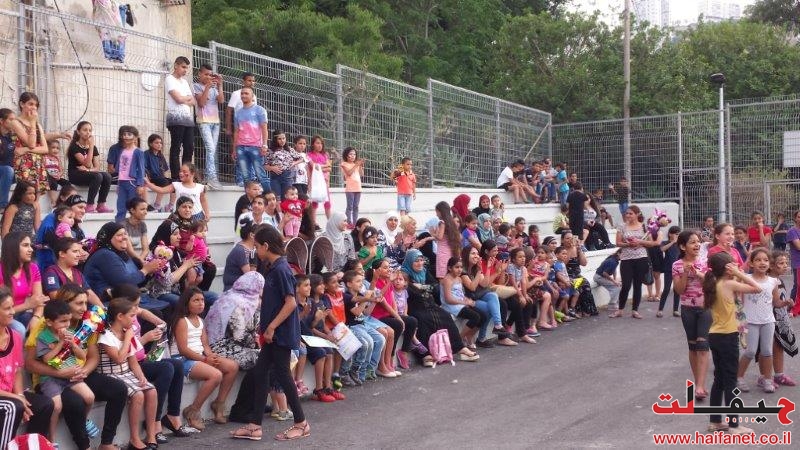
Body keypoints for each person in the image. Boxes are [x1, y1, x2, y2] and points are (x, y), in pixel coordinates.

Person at [25, 285, 129, 450]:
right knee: (75, 402)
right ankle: (84, 446)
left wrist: (83, 372)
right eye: (79, 303)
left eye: (86, 303)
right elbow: (30, 364)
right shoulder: (47, 324)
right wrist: (61, 373)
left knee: (119, 389)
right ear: (65, 304)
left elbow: (92, 357)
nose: (84, 308)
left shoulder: (88, 323)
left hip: (77, 372)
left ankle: (106, 443)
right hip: (50, 377)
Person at [231, 225, 310, 441]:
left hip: (280, 333)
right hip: (272, 333)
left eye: (257, 246)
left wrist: (272, 326)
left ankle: (301, 423)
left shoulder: (282, 269)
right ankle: (255, 426)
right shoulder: (272, 268)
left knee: (283, 375)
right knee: (260, 373)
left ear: (266, 246)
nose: (255, 250)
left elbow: (291, 303)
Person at [109, 284, 191, 443]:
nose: (137, 309)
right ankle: (154, 422)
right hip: (129, 365)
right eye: (135, 306)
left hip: (141, 359)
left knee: (177, 365)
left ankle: (173, 415)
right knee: (166, 368)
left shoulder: (131, 312)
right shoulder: (119, 323)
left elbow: (143, 312)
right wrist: (145, 338)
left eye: (138, 305)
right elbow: (124, 351)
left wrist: (157, 320)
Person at [703, 251, 760, 434]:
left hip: (715, 335)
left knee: (719, 379)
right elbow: (757, 288)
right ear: (728, 269)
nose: (737, 267)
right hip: (727, 337)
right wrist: (738, 273)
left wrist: (735, 272)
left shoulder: (714, 283)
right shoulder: (728, 284)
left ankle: (715, 422)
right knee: (730, 381)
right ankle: (734, 425)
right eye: (734, 264)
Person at [170, 288, 239, 429]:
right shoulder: (182, 321)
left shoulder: (200, 320)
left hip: (199, 357)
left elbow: (205, 345)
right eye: (196, 300)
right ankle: (193, 410)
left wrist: (210, 355)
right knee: (216, 375)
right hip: (183, 360)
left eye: (202, 300)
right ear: (186, 303)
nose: (201, 303)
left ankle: (219, 404)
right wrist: (204, 360)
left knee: (232, 367)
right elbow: (183, 349)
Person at [98, 298, 159, 449]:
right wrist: (127, 338)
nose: (134, 319)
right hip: (111, 375)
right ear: (120, 316)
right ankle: (134, 438)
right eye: (131, 316)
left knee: (151, 391)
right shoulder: (106, 335)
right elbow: (119, 359)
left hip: (126, 372)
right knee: (138, 395)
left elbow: (133, 361)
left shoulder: (127, 333)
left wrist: (141, 376)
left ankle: (151, 434)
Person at [400, 249, 479, 364]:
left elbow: (435, 286)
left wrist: (422, 287)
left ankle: (460, 348)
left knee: (445, 315)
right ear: (409, 262)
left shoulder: (424, 272)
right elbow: (409, 291)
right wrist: (423, 288)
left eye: (421, 260)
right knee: (422, 319)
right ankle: (425, 354)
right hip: (413, 305)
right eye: (416, 261)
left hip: (429, 303)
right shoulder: (404, 275)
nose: (420, 263)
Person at [0, 286, 53, 449]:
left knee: (45, 404)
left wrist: (20, 395)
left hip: (9, 394)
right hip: (4, 397)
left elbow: (17, 371)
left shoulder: (15, 336)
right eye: (7, 308)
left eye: (12, 307)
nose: (12, 312)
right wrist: (17, 399)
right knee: (12, 406)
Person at [36, 300, 95, 440]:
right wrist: (61, 343)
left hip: (70, 376)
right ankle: (52, 438)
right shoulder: (43, 337)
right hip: (50, 379)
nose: (67, 325)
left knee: (90, 397)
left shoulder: (71, 333)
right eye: (62, 321)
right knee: (56, 406)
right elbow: (47, 359)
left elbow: (82, 356)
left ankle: (84, 420)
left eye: (68, 320)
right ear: (49, 322)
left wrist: (73, 345)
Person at [82, 221, 169, 311]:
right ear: (109, 238)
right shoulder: (105, 255)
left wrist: (151, 271)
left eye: (125, 234)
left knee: (169, 306)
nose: (124, 237)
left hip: (125, 299)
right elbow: (124, 282)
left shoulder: (120, 254)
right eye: (119, 235)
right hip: (107, 304)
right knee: (161, 310)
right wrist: (146, 270)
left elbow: (136, 282)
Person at [672, 231, 711, 400]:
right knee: (693, 346)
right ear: (683, 246)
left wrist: (698, 273)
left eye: (698, 242)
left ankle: (700, 386)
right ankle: (698, 382)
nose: (697, 245)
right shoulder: (676, 265)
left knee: (703, 345)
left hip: (705, 308)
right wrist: (685, 274)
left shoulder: (705, 262)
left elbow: (710, 285)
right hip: (687, 309)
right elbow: (679, 290)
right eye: (692, 242)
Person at [735, 249, 779, 393]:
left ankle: (767, 379)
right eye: (758, 260)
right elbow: (736, 294)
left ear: (770, 263)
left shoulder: (773, 281)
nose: (762, 263)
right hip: (750, 321)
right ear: (751, 263)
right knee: (750, 351)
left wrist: (786, 303)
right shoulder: (746, 278)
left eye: (765, 260)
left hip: (768, 321)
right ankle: (738, 377)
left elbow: (776, 302)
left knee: (767, 351)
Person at [461, 246, 523, 345]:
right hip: (468, 300)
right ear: (466, 255)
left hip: (479, 296)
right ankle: (481, 338)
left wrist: (488, 268)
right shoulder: (462, 270)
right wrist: (479, 271)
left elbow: (484, 284)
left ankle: (497, 325)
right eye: (473, 253)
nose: (476, 256)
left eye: (477, 254)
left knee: (493, 296)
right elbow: (472, 287)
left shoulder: (476, 268)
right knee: (491, 306)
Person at [368, 259, 419, 372]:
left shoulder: (387, 281)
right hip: (378, 317)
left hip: (388, 314)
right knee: (397, 324)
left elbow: (393, 303)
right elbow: (380, 299)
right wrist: (399, 319)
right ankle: (389, 359)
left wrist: (399, 317)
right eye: (385, 267)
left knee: (412, 321)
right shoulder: (375, 283)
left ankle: (403, 352)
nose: (389, 270)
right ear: (377, 270)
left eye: (389, 267)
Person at [206, 272, 263, 371]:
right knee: (265, 358)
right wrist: (256, 345)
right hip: (219, 347)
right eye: (261, 286)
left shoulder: (234, 295)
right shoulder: (237, 302)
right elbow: (239, 335)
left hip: (230, 342)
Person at [611, 205, 658, 319]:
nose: (628, 215)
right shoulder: (622, 226)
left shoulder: (645, 227)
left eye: (631, 213)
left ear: (637, 214)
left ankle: (635, 310)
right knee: (626, 285)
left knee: (637, 285)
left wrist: (640, 242)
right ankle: (620, 310)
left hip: (641, 258)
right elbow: (617, 243)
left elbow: (652, 243)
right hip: (626, 259)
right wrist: (629, 244)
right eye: (627, 213)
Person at [0, 232, 46, 334]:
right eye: (25, 245)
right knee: (19, 329)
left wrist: (36, 317)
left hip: (23, 314)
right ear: (12, 248)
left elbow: (39, 300)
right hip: (3, 315)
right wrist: (27, 305)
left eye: (30, 245)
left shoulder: (33, 268)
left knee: (46, 324)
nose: (31, 249)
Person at [41, 238, 103, 307]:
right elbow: (56, 297)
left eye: (79, 251)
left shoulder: (77, 273)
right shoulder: (51, 273)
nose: (79, 255)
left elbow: (90, 294)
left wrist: (104, 309)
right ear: (62, 254)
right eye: (75, 251)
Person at [66, 121, 112, 213]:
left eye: (90, 130)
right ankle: (89, 205)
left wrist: (88, 170)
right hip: (75, 175)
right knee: (97, 176)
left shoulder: (93, 148)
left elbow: (97, 168)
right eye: (85, 130)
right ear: (78, 132)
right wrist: (90, 146)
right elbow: (87, 163)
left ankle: (101, 204)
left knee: (107, 176)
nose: (88, 132)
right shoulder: (74, 146)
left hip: (87, 173)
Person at [10, 92, 49, 196]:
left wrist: (26, 149)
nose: (34, 108)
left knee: (36, 197)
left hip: (38, 164)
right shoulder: (15, 122)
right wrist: (32, 122)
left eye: (36, 105)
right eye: (31, 104)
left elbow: (45, 149)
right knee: (26, 194)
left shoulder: (38, 125)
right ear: (22, 104)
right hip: (23, 164)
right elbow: (31, 143)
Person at [233, 86, 271, 194]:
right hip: (241, 147)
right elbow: (236, 131)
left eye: (246, 93)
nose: (243, 95)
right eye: (242, 93)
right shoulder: (238, 113)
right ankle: (250, 199)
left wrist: (264, 145)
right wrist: (234, 149)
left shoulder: (260, 110)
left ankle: (269, 198)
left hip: (256, 147)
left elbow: (264, 129)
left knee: (260, 175)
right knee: (245, 176)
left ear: (252, 95)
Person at [35, 194, 87, 271]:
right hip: (49, 265)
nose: (83, 211)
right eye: (80, 207)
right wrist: (78, 251)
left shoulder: (74, 224)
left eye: (84, 208)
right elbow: (51, 240)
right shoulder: (53, 218)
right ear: (69, 207)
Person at [193, 63, 224, 190]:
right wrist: (207, 87)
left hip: (215, 122)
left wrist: (220, 85)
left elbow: (221, 100)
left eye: (210, 75)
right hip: (204, 121)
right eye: (206, 74)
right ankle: (212, 177)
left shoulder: (214, 88)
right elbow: (201, 103)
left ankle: (208, 177)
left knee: (212, 150)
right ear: (199, 74)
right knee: (210, 149)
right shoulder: (196, 86)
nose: (208, 77)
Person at [165, 56, 196, 182]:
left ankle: (186, 174)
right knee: (176, 147)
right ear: (176, 66)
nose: (185, 70)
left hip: (188, 119)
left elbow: (193, 101)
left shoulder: (184, 82)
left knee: (189, 147)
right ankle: (176, 176)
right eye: (183, 67)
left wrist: (184, 99)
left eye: (187, 68)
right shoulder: (169, 79)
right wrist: (185, 98)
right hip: (175, 118)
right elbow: (177, 99)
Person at [769, 251, 797, 387]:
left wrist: (788, 305)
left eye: (786, 262)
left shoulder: (780, 280)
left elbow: (781, 300)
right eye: (781, 263)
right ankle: (765, 376)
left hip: (780, 319)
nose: (785, 265)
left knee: (779, 346)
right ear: (771, 265)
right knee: (766, 349)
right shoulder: (768, 281)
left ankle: (779, 375)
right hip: (770, 319)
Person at [145, 163, 210, 221]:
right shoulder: (176, 185)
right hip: (180, 217)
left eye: (184, 172)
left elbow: (203, 201)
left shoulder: (200, 187)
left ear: (192, 173)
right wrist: (148, 184)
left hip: (197, 217)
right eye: (180, 171)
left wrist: (207, 213)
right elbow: (161, 190)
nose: (181, 173)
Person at [225, 72, 258, 187]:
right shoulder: (237, 94)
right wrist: (228, 128)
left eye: (253, 81)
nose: (251, 83)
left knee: (252, 154)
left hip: (251, 131)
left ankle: (252, 180)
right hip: (239, 129)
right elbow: (229, 110)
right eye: (249, 80)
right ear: (243, 81)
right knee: (240, 153)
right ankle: (240, 180)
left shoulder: (254, 96)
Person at [109, 125, 147, 222]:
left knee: (134, 207)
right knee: (121, 206)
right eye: (124, 134)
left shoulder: (138, 152)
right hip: (122, 182)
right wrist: (118, 184)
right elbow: (120, 169)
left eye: (129, 134)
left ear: (135, 137)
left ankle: (136, 226)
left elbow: (141, 169)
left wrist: (140, 185)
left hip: (132, 183)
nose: (126, 136)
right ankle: (119, 227)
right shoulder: (122, 151)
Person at [265, 131, 303, 201]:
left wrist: (294, 163)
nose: (282, 141)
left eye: (283, 138)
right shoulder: (270, 151)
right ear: (275, 139)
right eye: (279, 139)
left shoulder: (289, 149)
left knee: (287, 198)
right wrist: (272, 168)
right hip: (275, 178)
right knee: (277, 199)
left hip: (287, 177)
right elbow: (265, 166)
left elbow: (301, 158)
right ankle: (278, 208)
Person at [223, 218, 257, 291]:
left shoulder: (251, 249)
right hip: (233, 290)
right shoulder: (240, 251)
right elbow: (250, 276)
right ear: (251, 235)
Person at [143, 134, 174, 212]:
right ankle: (156, 205)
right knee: (164, 182)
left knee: (175, 183)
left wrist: (166, 178)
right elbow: (143, 168)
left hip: (159, 177)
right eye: (156, 143)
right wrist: (147, 180)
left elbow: (164, 170)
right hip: (151, 178)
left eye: (160, 143)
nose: (159, 145)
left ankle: (170, 206)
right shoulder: (146, 154)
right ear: (150, 144)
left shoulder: (160, 155)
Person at [432, 201, 461, 280]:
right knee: (450, 276)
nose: (436, 214)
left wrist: (433, 233)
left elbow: (440, 237)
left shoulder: (442, 222)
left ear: (441, 212)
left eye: (437, 212)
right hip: (450, 251)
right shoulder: (451, 222)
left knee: (442, 276)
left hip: (442, 252)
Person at [657, 226, 681, 317]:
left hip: (678, 269)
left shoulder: (680, 244)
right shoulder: (665, 242)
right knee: (666, 289)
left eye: (678, 234)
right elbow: (662, 249)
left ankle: (675, 310)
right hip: (668, 268)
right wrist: (672, 242)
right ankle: (660, 310)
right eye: (676, 234)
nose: (677, 235)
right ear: (670, 234)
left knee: (677, 289)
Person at [308, 135, 332, 219]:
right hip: (315, 182)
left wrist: (319, 167)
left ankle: (330, 222)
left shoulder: (325, 155)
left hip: (324, 182)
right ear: (313, 144)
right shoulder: (309, 155)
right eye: (317, 143)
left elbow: (329, 168)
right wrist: (323, 166)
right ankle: (314, 223)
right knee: (314, 202)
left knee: (327, 202)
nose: (320, 145)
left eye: (321, 143)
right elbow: (313, 166)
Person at [0, 108, 18, 216]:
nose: (14, 122)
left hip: (9, 173)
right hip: (4, 170)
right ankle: (2, 205)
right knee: (8, 170)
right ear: (2, 121)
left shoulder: (12, 137)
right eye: (11, 119)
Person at [340, 146, 363, 227]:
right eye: (351, 154)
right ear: (346, 155)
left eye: (354, 154)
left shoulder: (355, 165)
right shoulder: (344, 164)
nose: (353, 156)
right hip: (350, 189)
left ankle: (355, 223)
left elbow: (361, 174)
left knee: (356, 207)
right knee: (350, 207)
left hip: (358, 188)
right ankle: (348, 222)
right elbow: (349, 173)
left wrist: (360, 166)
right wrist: (356, 165)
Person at [123, 197, 150, 265]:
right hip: (121, 259)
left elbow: (146, 250)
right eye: (142, 209)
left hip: (134, 260)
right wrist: (141, 262)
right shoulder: (123, 225)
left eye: (146, 209)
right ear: (132, 210)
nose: (146, 212)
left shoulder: (142, 225)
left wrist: (140, 261)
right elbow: (130, 251)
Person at [44, 140, 70, 208]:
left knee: (67, 183)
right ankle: (54, 202)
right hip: (49, 177)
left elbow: (61, 170)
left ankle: (64, 199)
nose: (55, 150)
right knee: (53, 183)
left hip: (56, 177)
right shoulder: (45, 157)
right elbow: (43, 168)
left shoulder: (57, 159)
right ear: (48, 148)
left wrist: (59, 175)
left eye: (57, 148)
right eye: (53, 147)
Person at [787, 210, 800, 316]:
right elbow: (798, 246)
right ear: (795, 218)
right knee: (798, 286)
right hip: (798, 262)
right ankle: (792, 308)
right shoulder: (792, 231)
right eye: (799, 217)